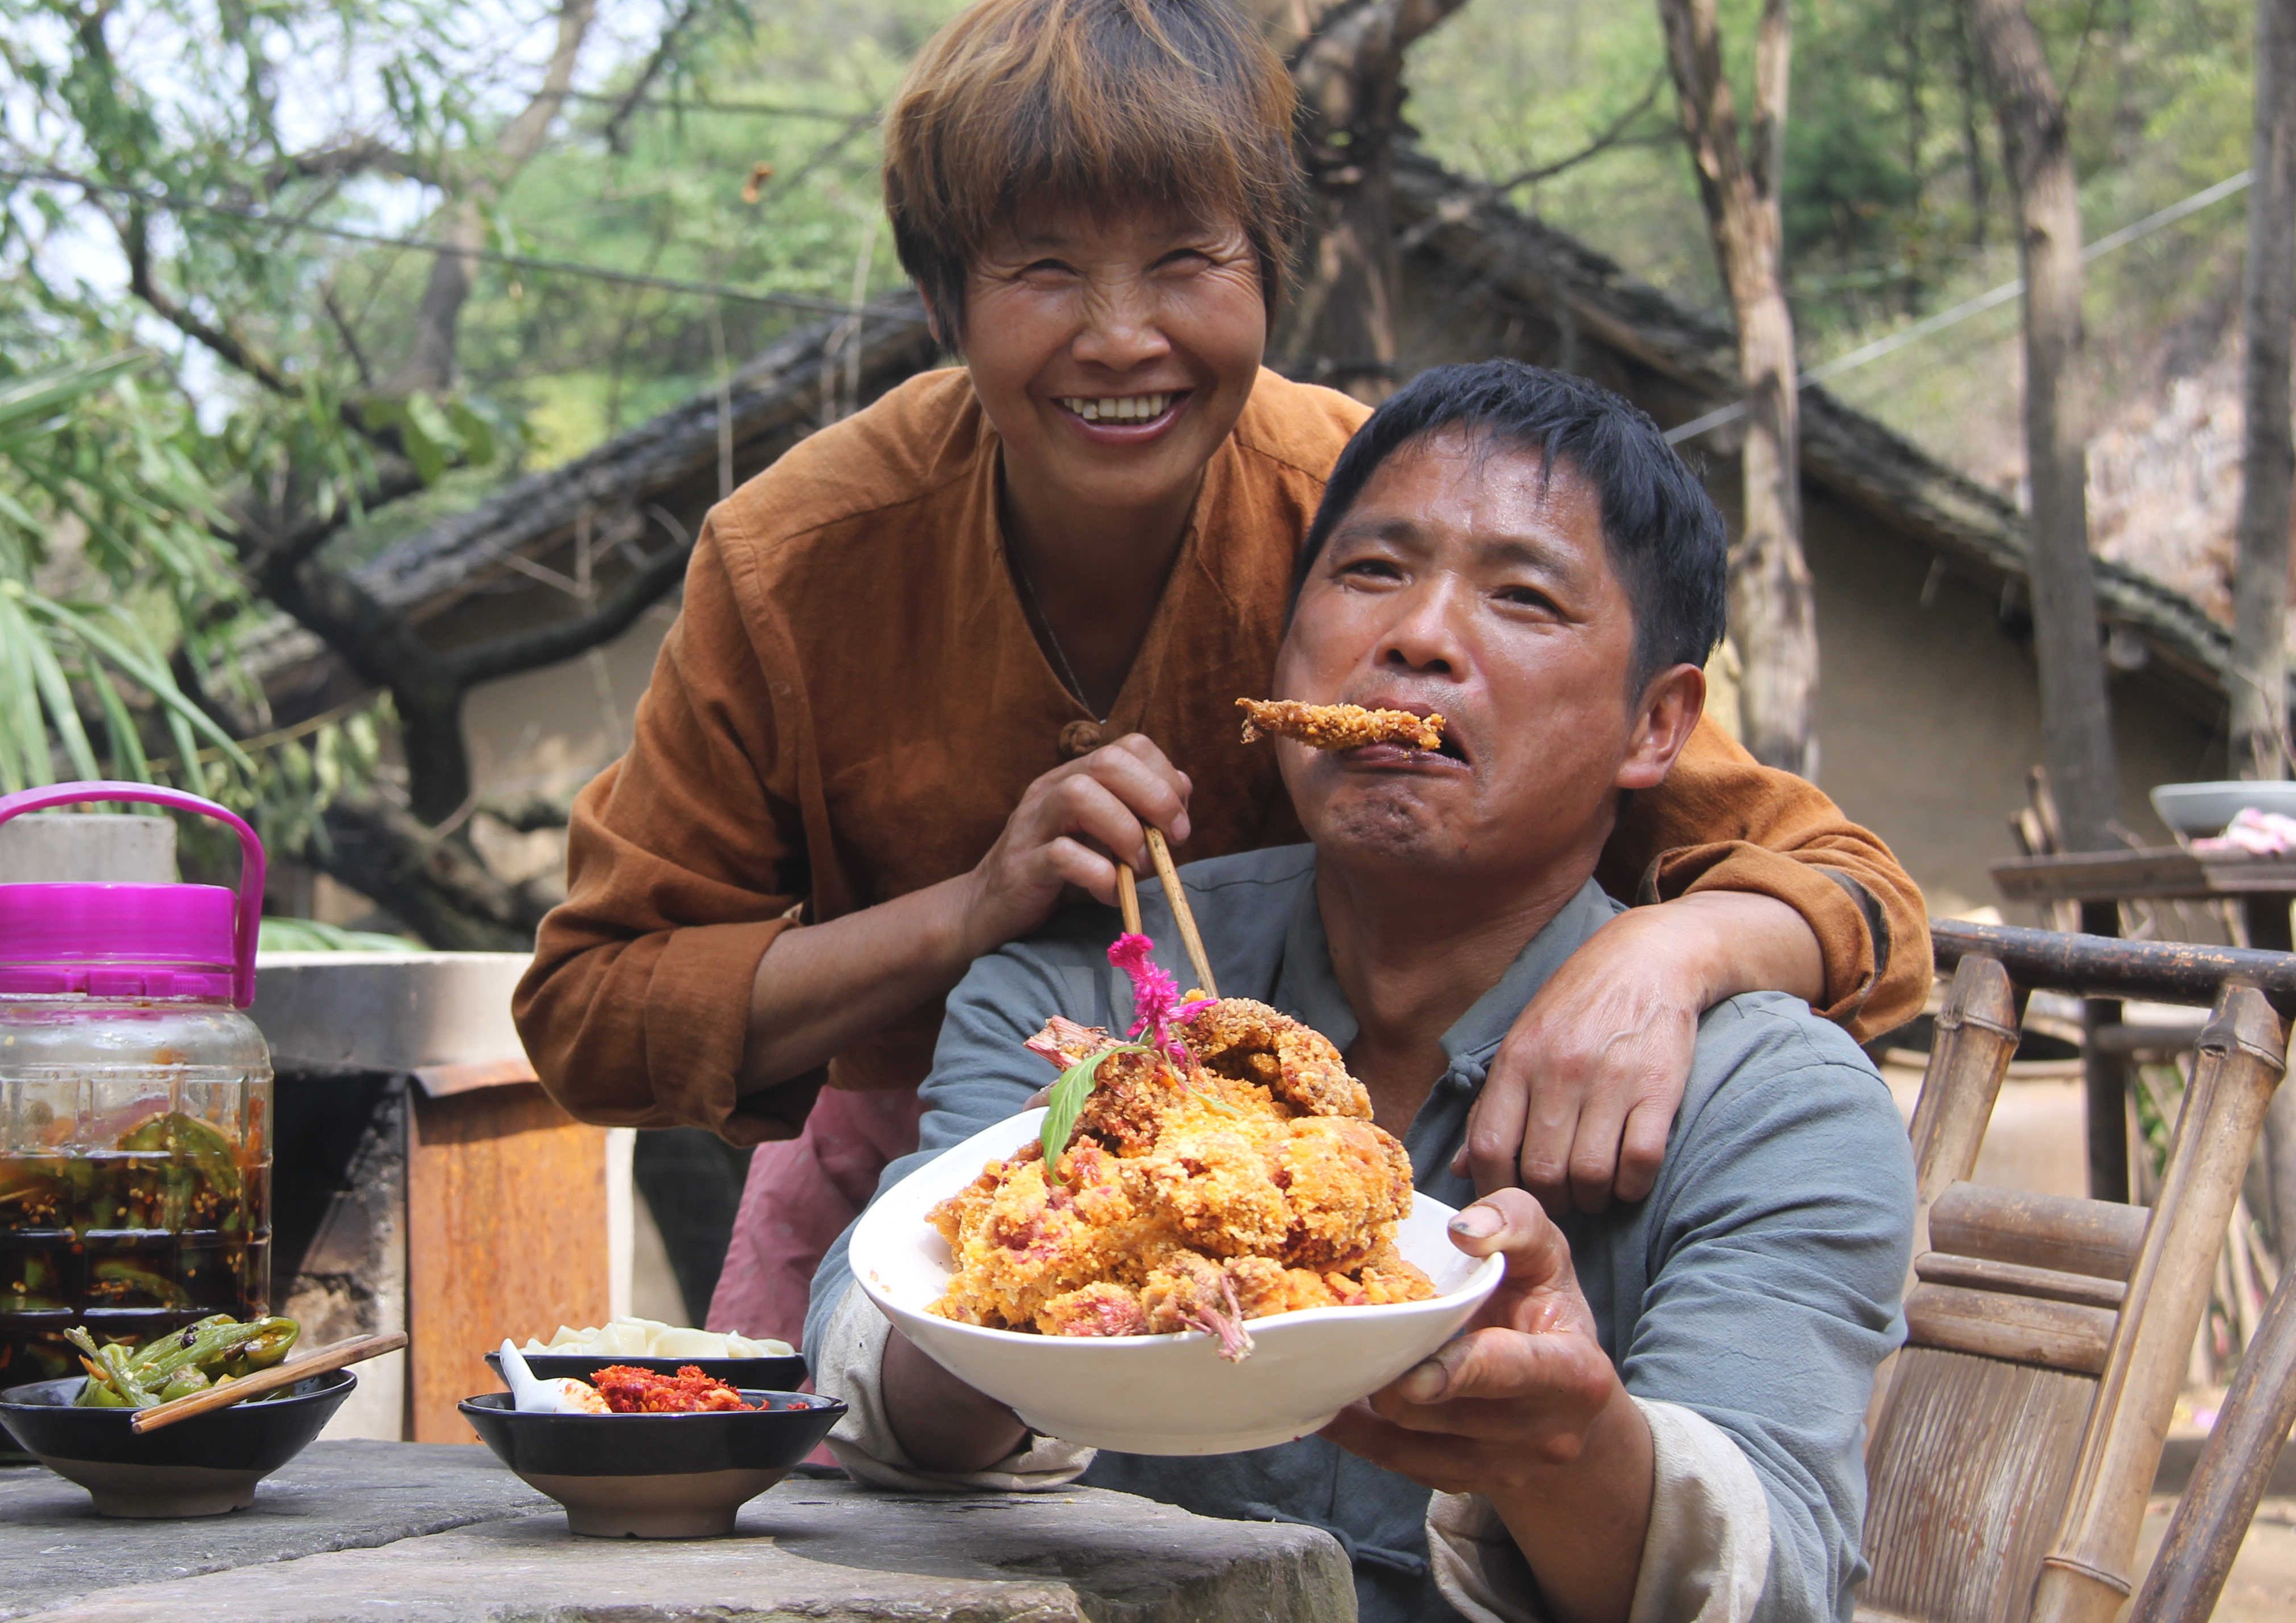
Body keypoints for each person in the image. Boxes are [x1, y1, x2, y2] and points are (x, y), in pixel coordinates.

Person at [513, 0, 1926, 1346]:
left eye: (1189, 261)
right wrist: (969, 912)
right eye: (1045, 271)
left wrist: (1666, 958)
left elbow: (1858, 899)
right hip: (907, 1206)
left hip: (1311, 1213)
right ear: (943, 305)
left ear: (1270, 271)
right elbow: (593, 1011)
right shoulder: (796, 560)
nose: (1123, 339)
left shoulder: (1381, 534)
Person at [804, 360, 1916, 1623]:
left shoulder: (1771, 1101)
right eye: (1373, 572)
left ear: (1654, 728)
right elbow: (865, 1367)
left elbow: (1775, 1579)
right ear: (1286, 647)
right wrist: (1038, 1269)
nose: (1417, 640)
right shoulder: (1099, 996)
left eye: (1525, 597)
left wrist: (1571, 1450)